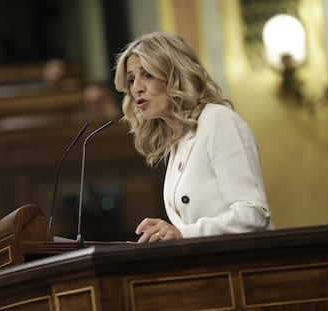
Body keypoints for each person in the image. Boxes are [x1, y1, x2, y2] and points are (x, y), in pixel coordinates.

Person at [114, 32, 275, 243]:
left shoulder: (218, 120)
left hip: (244, 267)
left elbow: (254, 213)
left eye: (148, 75)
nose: (137, 88)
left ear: (175, 76)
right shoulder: (177, 141)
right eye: (131, 80)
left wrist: (182, 234)